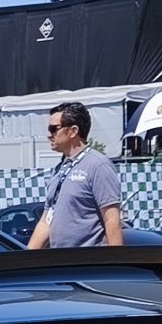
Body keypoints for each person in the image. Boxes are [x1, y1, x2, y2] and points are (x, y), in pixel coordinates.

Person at [27, 101, 124, 248]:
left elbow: (112, 220)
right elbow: (46, 221)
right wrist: (27, 260)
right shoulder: (60, 168)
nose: (49, 135)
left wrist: (117, 263)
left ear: (73, 131)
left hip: (90, 263)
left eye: (53, 129)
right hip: (63, 263)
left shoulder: (98, 165)